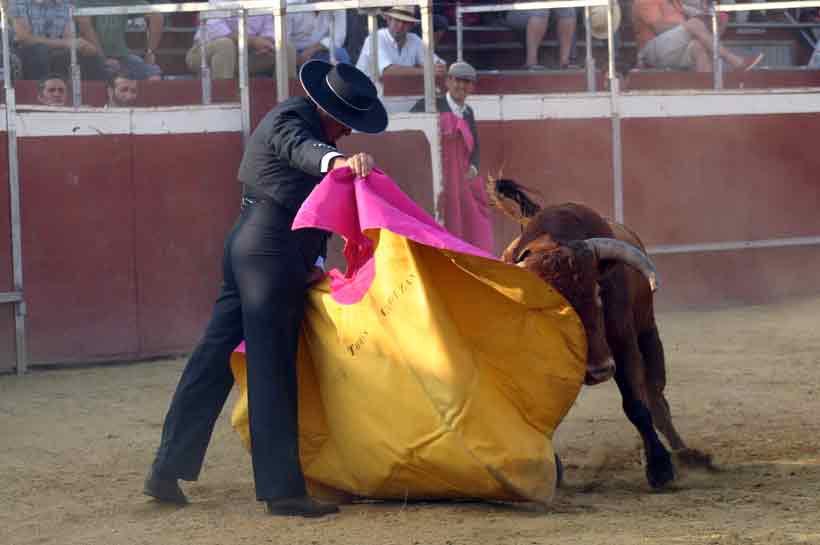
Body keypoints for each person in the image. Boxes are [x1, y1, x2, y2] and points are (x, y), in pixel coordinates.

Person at [143, 60, 388, 517]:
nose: (348, 134)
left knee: (214, 358)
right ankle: (283, 491)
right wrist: (337, 161)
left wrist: (313, 260)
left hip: (260, 244)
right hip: (269, 250)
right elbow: (304, 151)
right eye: (346, 124)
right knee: (272, 364)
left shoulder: (300, 123)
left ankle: (165, 468)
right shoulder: (291, 119)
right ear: (328, 111)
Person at [411, 62, 493, 253]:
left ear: (472, 87)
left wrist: (473, 167)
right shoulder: (429, 105)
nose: (461, 86)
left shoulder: (468, 112)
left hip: (461, 181)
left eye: (467, 82)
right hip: (437, 179)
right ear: (448, 81)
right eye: (457, 80)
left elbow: (475, 146)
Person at [632, 0, 763, 72]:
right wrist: (689, 26)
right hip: (650, 50)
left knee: (698, 46)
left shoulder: (674, 2)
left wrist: (711, 18)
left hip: (672, 48)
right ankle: (735, 61)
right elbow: (659, 28)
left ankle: (706, 93)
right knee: (694, 25)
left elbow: (693, 16)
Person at [186, 0, 296, 80]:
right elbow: (218, 31)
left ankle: (286, 105)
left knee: (286, 49)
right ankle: (224, 101)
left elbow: (271, 33)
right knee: (225, 45)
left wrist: (265, 43)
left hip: (248, 55)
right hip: (204, 52)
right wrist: (252, 41)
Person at [10, 0, 108, 81]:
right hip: (24, 54)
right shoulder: (19, 2)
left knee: (86, 54)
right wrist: (68, 43)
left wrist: (87, 49)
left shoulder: (65, 4)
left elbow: (69, 38)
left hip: (54, 53)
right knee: (39, 51)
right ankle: (42, 96)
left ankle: (104, 96)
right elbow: (23, 38)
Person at [75, 0, 164, 80]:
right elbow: (84, 27)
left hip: (123, 58)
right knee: (112, 76)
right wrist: (103, 60)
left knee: (153, 75)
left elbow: (156, 15)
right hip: (90, 58)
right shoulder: (83, 2)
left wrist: (150, 52)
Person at [355, 6, 445, 82]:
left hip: (393, 93)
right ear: (388, 20)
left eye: (405, 22)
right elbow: (388, 72)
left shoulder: (414, 39)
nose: (401, 26)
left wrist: (436, 67)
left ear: (411, 25)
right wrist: (427, 71)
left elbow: (440, 65)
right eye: (397, 20)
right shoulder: (375, 38)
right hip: (365, 95)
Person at [504, 7, 578, 70]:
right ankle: (531, 63)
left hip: (548, 11)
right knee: (540, 10)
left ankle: (564, 62)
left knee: (568, 10)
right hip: (515, 10)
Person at [287, 0, 351, 66]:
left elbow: (339, 38)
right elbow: (282, 42)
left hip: (320, 50)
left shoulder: (337, 3)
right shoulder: (291, 4)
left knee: (340, 54)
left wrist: (312, 49)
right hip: (294, 52)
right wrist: (294, 57)